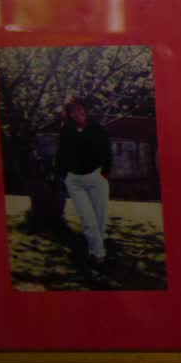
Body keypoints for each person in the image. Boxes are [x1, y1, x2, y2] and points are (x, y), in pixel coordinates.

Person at [57, 97, 114, 265]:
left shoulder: (97, 129)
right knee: (87, 219)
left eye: (79, 108)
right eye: (72, 111)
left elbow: (107, 152)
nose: (77, 112)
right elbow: (61, 154)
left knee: (99, 219)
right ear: (69, 114)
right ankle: (100, 255)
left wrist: (105, 173)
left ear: (85, 109)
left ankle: (93, 251)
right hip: (74, 181)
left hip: (96, 178)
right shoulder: (66, 130)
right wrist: (64, 174)